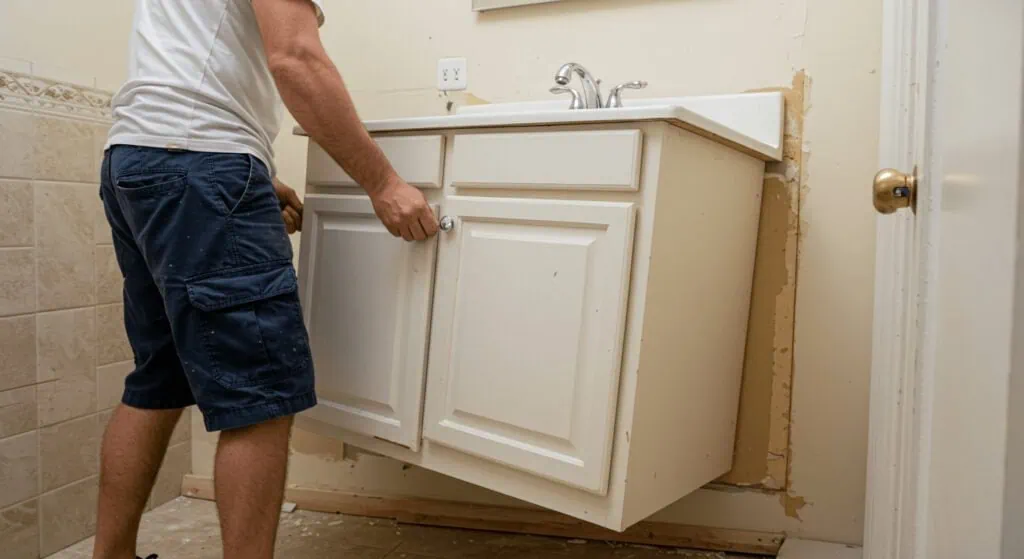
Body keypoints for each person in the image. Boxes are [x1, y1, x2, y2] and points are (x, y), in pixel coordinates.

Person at [92, 1, 438, 558]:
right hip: (199, 162)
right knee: (261, 398)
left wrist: (253, 172)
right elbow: (296, 58)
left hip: (136, 159)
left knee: (157, 377)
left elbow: (197, 56)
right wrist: (384, 182)